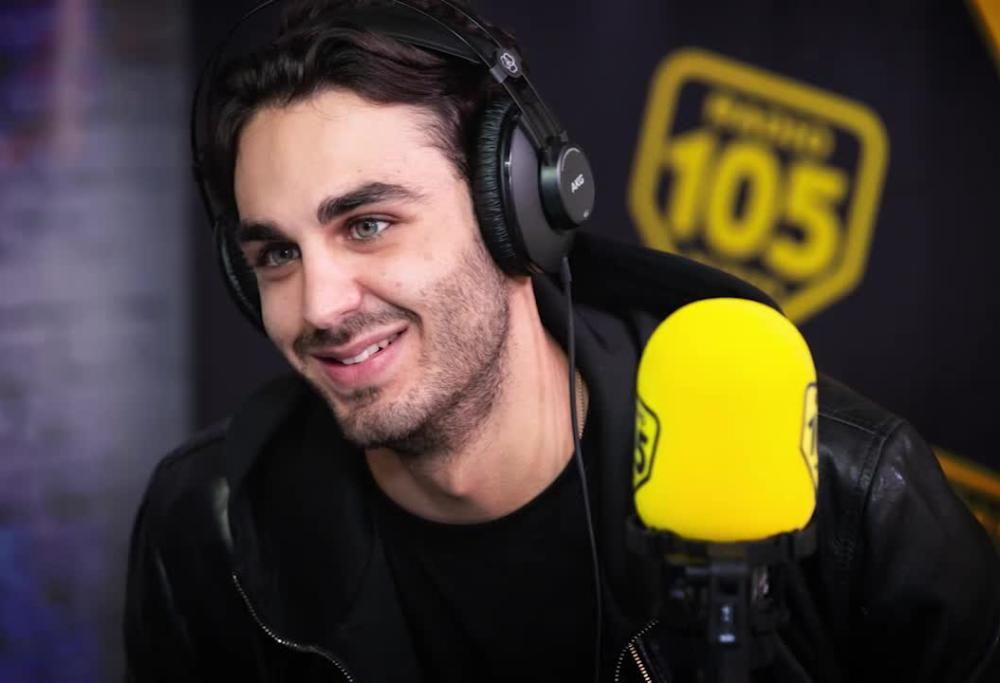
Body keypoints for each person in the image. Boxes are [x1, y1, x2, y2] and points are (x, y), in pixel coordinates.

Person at [124, 1, 1000, 681]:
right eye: (277, 254)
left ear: (519, 212)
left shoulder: (849, 499)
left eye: (368, 224)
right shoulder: (211, 528)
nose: (318, 306)